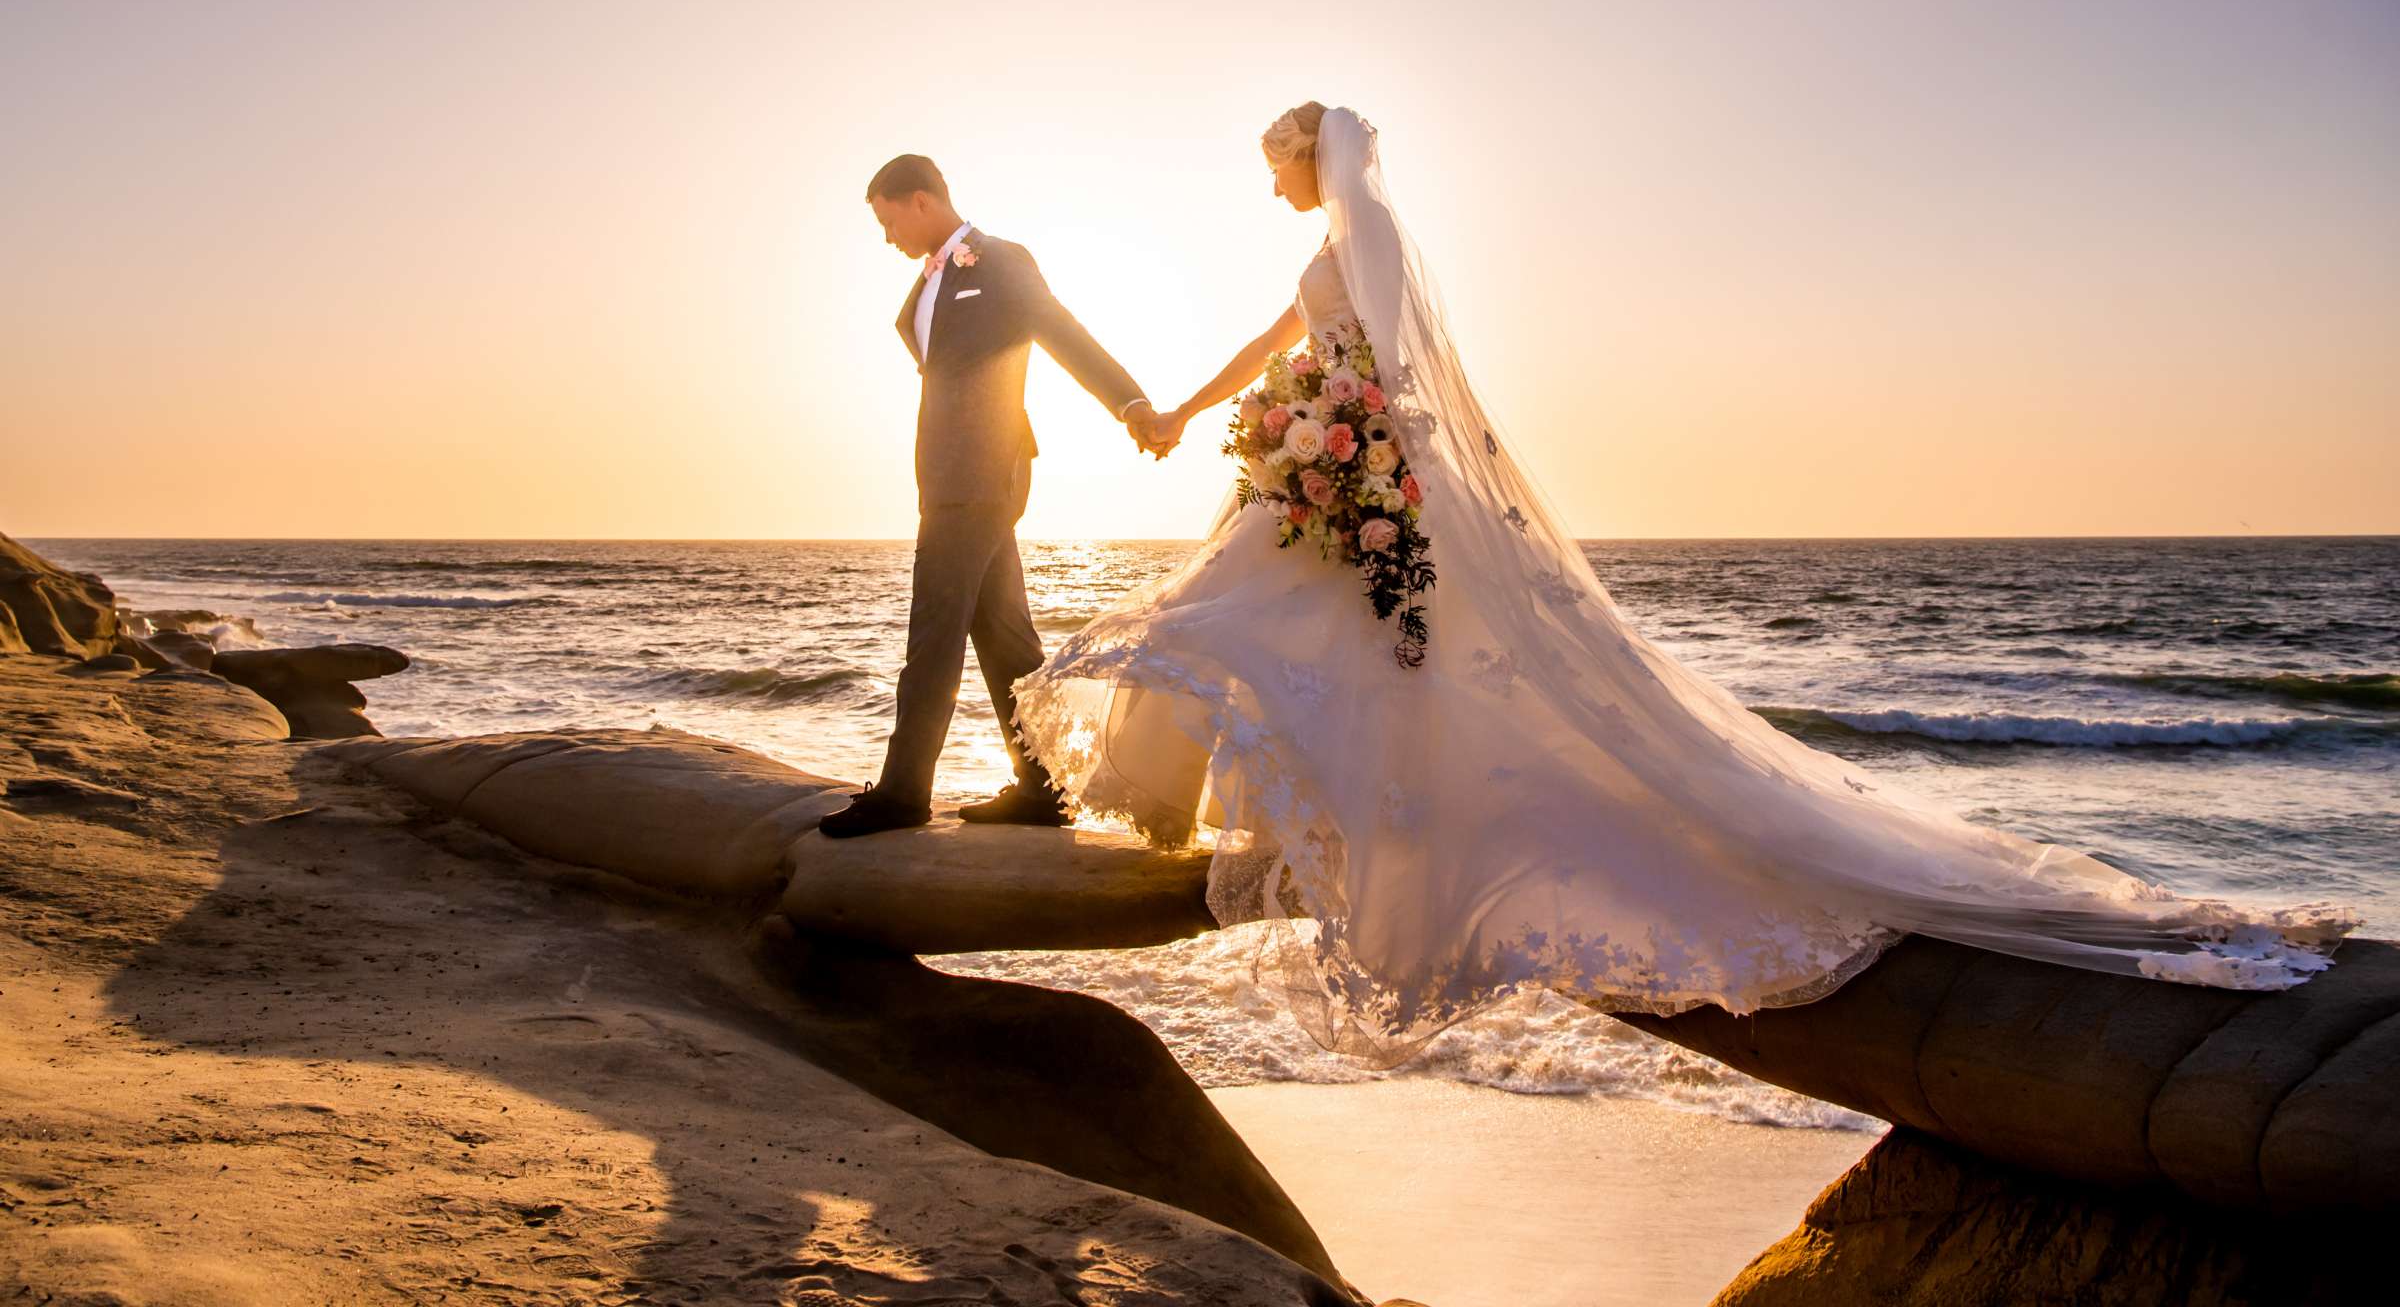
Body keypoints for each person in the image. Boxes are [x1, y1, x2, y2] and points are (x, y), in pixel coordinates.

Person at [1009, 103, 2354, 1058]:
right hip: (1325, 461)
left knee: (1269, 626)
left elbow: (1388, 365)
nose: (1275, 187)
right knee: (1278, 630)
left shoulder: (1367, 241)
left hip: (1350, 468)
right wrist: (1197, 408)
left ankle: (1357, 833)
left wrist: (1333, 430)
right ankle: (1290, 821)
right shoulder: (1335, 252)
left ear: (1317, 157)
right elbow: (1278, 335)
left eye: (1278, 166)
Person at [818, 154, 1163, 840]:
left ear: (921, 201)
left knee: (934, 631)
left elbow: (1065, 335)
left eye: (889, 221)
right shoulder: (929, 284)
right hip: (948, 474)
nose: (888, 238)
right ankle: (1043, 786)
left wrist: (1130, 403)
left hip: (980, 473)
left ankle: (903, 794)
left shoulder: (1000, 261)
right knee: (1004, 636)